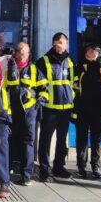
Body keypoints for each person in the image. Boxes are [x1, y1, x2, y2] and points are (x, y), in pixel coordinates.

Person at [73, 44, 101, 179]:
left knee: (97, 140)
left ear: (99, 54)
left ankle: (95, 166)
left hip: (99, 112)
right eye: (88, 50)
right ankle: (81, 167)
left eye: (94, 51)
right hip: (82, 111)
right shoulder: (78, 69)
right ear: (84, 53)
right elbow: (74, 91)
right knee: (81, 140)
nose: (91, 53)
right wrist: (73, 110)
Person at [35, 32, 75, 181]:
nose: (60, 44)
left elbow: (75, 84)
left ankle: (59, 167)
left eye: (62, 42)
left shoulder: (71, 61)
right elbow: (39, 85)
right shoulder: (43, 61)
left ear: (66, 45)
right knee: (45, 140)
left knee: (62, 140)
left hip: (65, 109)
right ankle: (44, 170)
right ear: (53, 43)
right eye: (57, 41)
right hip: (49, 109)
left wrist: (72, 100)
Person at [9, 42, 46, 186]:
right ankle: (7, 170)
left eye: (23, 51)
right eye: (18, 51)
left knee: (28, 142)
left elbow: (44, 89)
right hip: (11, 110)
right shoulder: (8, 67)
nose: (20, 53)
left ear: (28, 53)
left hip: (29, 111)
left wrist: (38, 104)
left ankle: (26, 175)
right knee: (9, 140)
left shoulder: (34, 70)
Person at [0, 50, 15, 198]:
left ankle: (3, 183)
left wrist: (11, 64)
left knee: (0, 148)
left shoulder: (7, 66)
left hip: (0, 115)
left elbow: (13, 82)